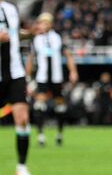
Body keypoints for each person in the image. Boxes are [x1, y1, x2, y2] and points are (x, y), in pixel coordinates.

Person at [0, 0, 36, 175]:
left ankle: (21, 168)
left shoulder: (11, 10)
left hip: (15, 72)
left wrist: (30, 33)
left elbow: (13, 35)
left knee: (22, 117)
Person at [25, 12, 78, 146]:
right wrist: (26, 77)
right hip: (42, 77)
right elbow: (30, 59)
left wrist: (73, 71)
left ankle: (59, 134)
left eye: (46, 22)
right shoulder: (35, 39)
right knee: (39, 105)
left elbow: (68, 55)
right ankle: (41, 136)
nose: (43, 25)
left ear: (50, 24)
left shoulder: (58, 38)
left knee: (60, 105)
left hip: (57, 77)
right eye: (41, 22)